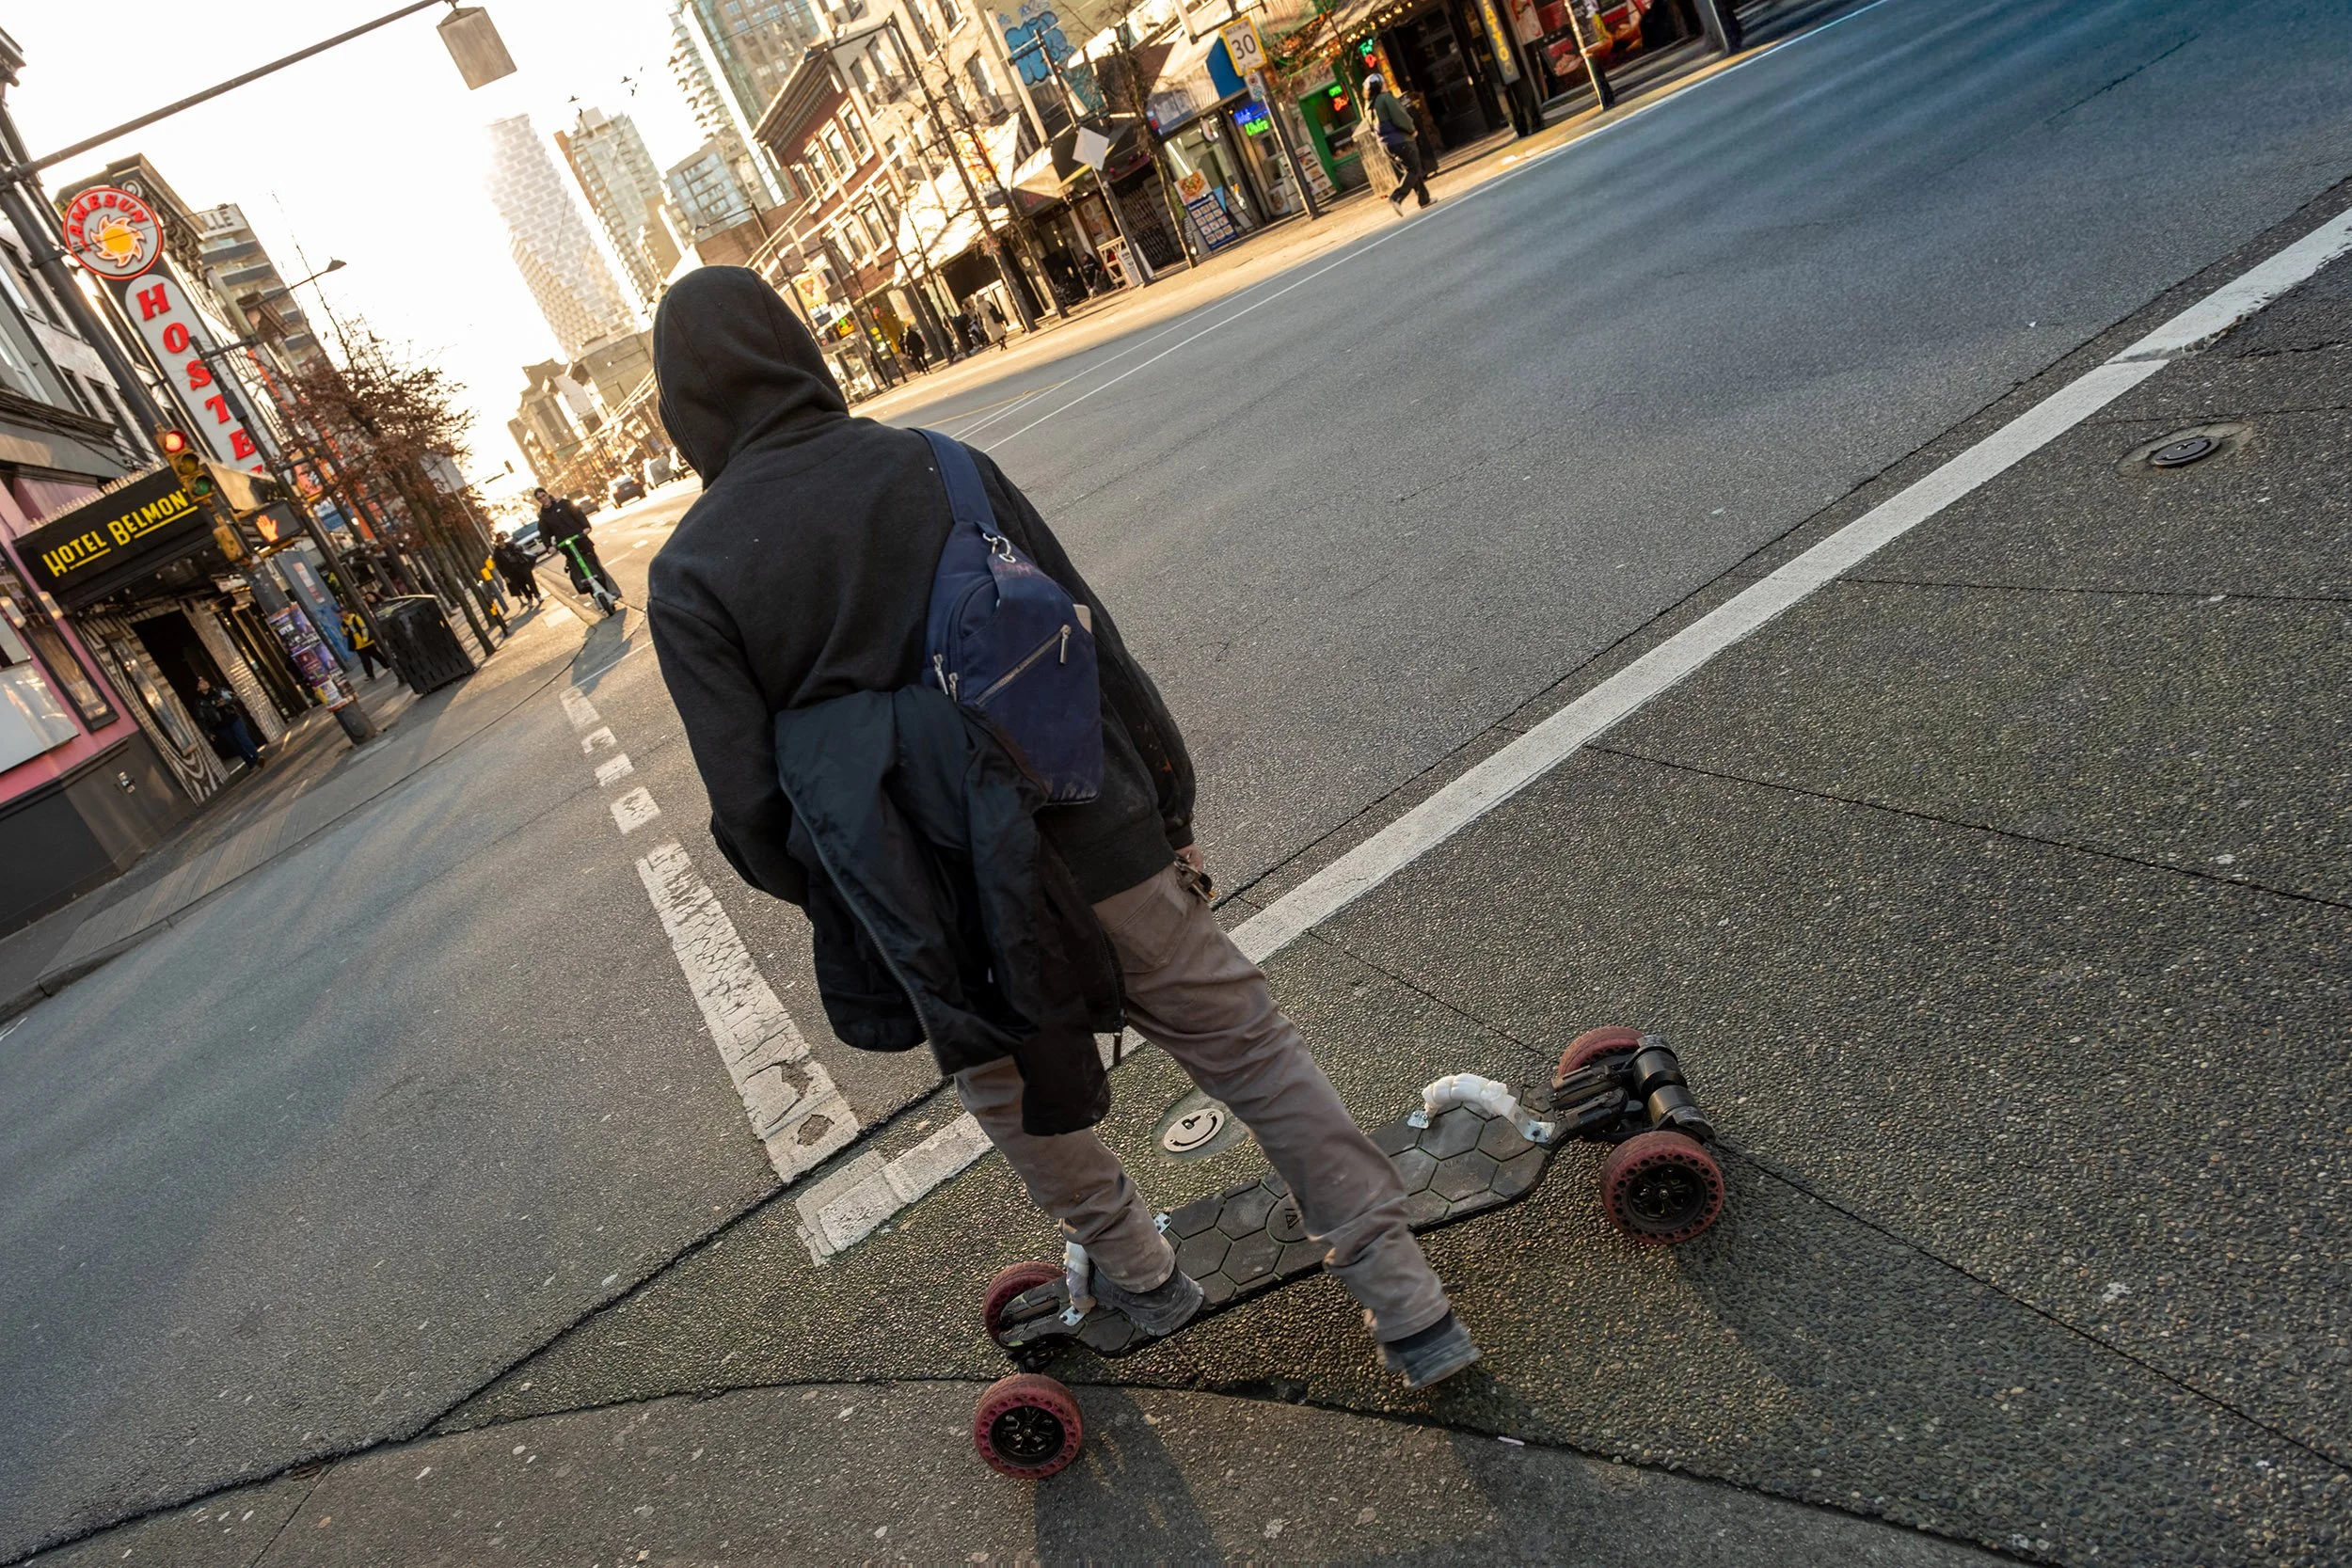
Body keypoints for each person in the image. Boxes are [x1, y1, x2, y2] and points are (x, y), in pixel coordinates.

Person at [644, 266, 1480, 1388]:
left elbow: (749, 812)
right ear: (798, 351)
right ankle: (1409, 1305)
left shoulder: (691, 573)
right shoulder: (939, 465)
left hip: (932, 898)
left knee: (1014, 1093)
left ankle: (1145, 1275)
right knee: (1249, 1049)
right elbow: (1092, 644)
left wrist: (873, 881)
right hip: (1089, 828)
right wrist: (1169, 809)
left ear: (681, 409)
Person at [534, 486, 619, 603]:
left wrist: (586, 527)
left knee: (595, 566)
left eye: (543, 496)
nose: (543, 499)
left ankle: (612, 592)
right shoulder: (543, 516)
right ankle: (596, 596)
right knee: (579, 572)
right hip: (566, 546)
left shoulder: (563, 504)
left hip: (581, 540)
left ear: (547, 494)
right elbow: (544, 533)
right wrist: (550, 546)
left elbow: (578, 513)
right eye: (539, 498)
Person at [1365, 74, 1431, 213]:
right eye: (1384, 82)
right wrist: (1412, 129)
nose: (1386, 84)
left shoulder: (1368, 107)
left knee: (1411, 169)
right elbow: (1400, 116)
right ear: (1380, 85)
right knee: (1414, 169)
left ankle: (1424, 199)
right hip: (1401, 139)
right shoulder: (1386, 98)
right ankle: (1397, 197)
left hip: (1386, 144)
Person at [192, 675, 262, 769]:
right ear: (198, 688)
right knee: (236, 745)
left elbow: (234, 697)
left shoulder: (219, 690)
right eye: (201, 683)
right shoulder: (199, 702)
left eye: (205, 681)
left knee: (243, 737)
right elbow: (201, 719)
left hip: (233, 719)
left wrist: (226, 702)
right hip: (221, 726)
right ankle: (250, 763)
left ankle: (257, 757)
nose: (205, 683)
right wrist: (207, 733)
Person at [341, 604, 390, 680]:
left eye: (343, 612)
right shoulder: (343, 624)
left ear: (347, 612)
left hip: (366, 642)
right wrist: (346, 633)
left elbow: (363, 627)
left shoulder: (355, 618)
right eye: (340, 613)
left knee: (376, 655)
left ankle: (387, 666)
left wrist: (365, 638)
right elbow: (344, 634)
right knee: (365, 660)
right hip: (357, 645)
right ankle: (370, 675)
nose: (342, 614)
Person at [494, 537, 541, 605]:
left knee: (531, 582)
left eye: (501, 540)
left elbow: (520, 549)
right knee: (522, 586)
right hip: (512, 572)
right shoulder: (497, 553)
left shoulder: (511, 545)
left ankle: (537, 595)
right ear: (497, 543)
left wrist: (517, 551)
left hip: (522, 566)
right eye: (498, 541)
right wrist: (505, 576)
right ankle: (529, 598)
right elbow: (499, 567)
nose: (501, 542)